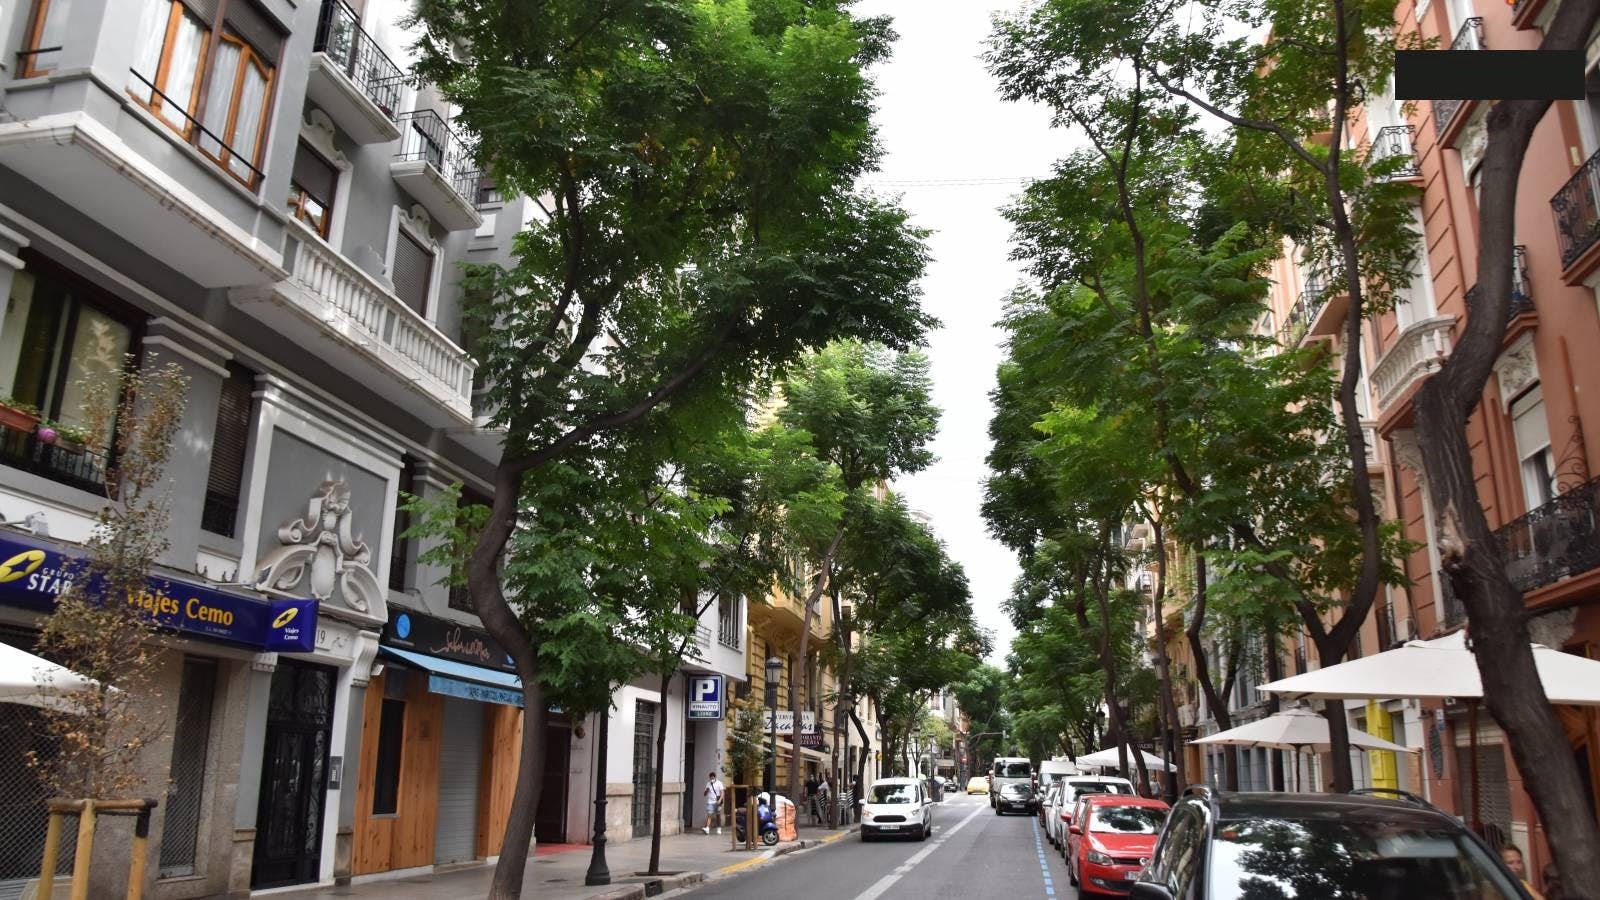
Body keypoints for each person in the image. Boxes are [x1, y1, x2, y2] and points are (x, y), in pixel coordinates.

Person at [702, 770, 724, 835]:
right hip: (710, 802)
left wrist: (720, 800)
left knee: (718, 815)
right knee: (709, 814)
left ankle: (719, 828)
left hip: (717, 801)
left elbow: (722, 793)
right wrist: (707, 790)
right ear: (709, 778)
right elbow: (704, 794)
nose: (712, 779)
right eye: (711, 778)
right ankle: (707, 828)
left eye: (713, 778)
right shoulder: (708, 784)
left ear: (715, 777)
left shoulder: (719, 783)